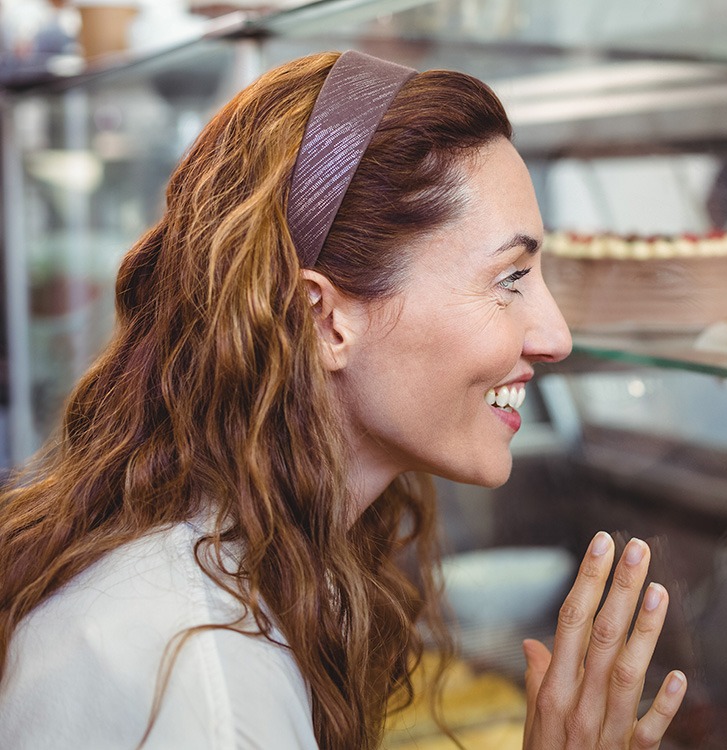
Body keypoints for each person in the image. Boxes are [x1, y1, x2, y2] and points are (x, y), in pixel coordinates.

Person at [0, 50, 686, 748]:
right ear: (324, 320)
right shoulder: (208, 685)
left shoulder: (250, 570)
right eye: (510, 278)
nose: (556, 337)